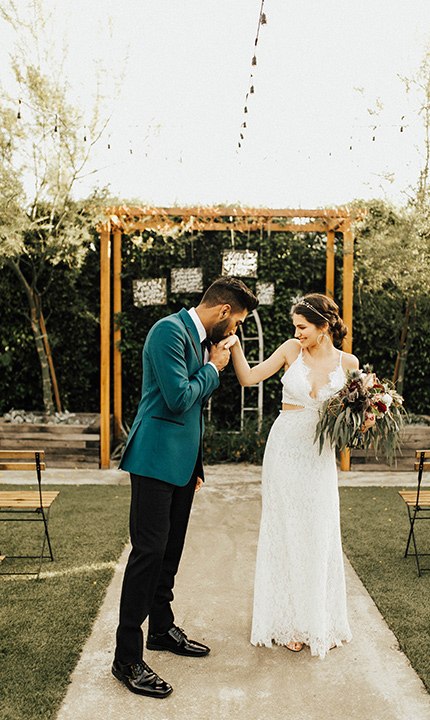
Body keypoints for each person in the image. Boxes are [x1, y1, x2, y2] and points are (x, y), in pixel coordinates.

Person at [112, 276, 258, 699]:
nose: (234, 333)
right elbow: (178, 398)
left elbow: (190, 406)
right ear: (223, 312)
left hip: (180, 466)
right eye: (236, 324)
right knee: (147, 554)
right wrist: (214, 367)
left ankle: (160, 629)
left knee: (169, 552)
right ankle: (126, 658)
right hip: (154, 460)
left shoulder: (200, 338)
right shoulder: (168, 332)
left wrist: (195, 465)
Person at [225, 292, 358, 657]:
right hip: (284, 450)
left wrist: (364, 419)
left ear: (324, 327)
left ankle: (318, 619)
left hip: (319, 456)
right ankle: (288, 621)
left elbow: (355, 416)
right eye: (295, 327)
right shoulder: (289, 350)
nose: (297, 332)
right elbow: (249, 378)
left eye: (302, 327)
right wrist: (235, 344)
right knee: (285, 529)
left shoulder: (349, 363)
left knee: (319, 530)